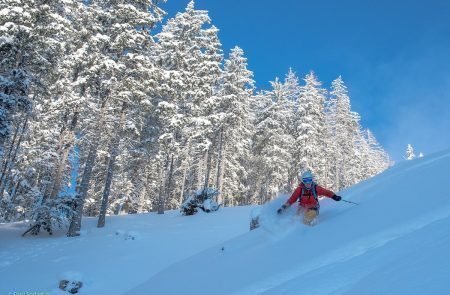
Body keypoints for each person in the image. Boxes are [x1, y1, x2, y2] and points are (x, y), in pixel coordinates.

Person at [277, 170, 341, 225]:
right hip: (302, 208)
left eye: (309, 180)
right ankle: (291, 231)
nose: (308, 183)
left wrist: (334, 196)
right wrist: (283, 207)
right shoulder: (299, 189)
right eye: (305, 180)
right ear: (303, 181)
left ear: (312, 180)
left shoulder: (316, 188)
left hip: (313, 208)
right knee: (296, 219)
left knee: (308, 217)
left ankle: (306, 231)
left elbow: (326, 192)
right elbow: (292, 199)